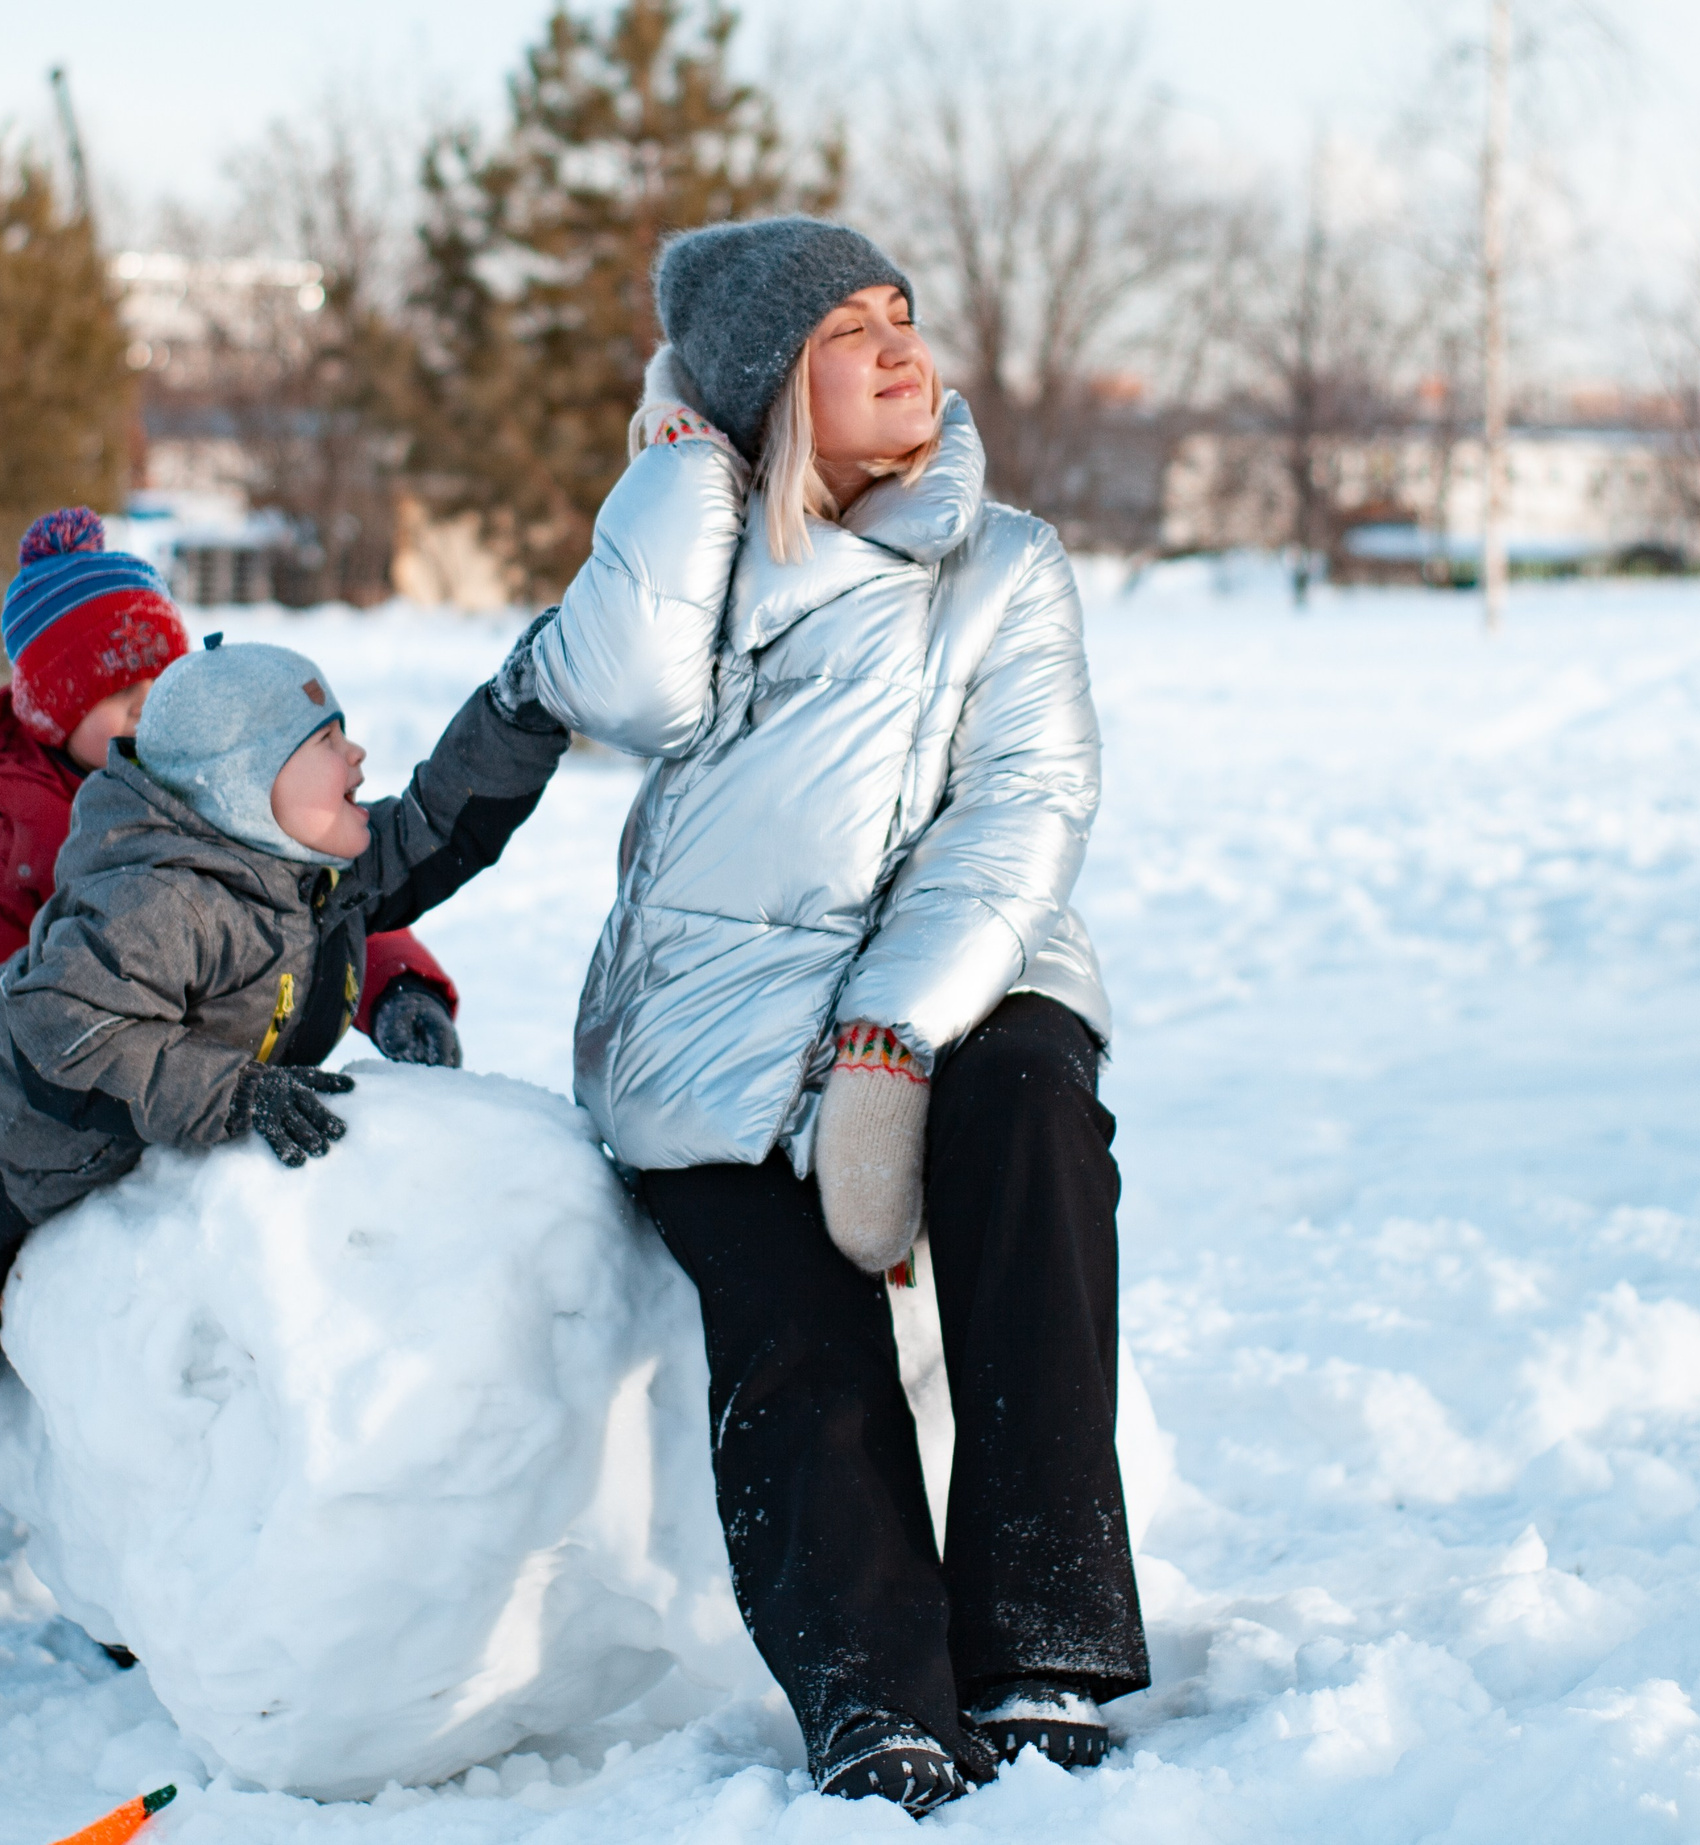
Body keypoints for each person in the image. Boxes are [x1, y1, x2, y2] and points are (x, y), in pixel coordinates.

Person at [518, 217, 1147, 1813]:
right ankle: (878, 1699)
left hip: (958, 976)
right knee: (791, 1318)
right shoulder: (702, 556)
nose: (902, 349)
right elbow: (622, 694)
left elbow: (1023, 809)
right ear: (768, 387)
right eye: (848, 331)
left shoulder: (1004, 563)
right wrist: (674, 469)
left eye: (902, 315)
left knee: (1033, 1118)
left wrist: (889, 1037)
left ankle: (1045, 1635)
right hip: (717, 1029)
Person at [0, 628, 568, 1741]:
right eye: (328, 742)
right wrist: (237, 1094)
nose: (358, 761)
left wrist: (523, 706)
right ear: (246, 784)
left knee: (122, 1367)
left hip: (116, 1168)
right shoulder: (161, 898)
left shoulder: (304, 869)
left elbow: (440, 824)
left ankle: (127, 1592)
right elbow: (73, 1025)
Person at [0, 507, 464, 1075]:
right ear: (53, 714)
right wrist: (4, 1078)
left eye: (163, 682)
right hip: (98, 1105)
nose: (146, 705)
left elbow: (324, 892)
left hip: (240, 1093)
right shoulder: (2, 848)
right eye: (118, 689)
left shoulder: (215, 788)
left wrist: (398, 985)